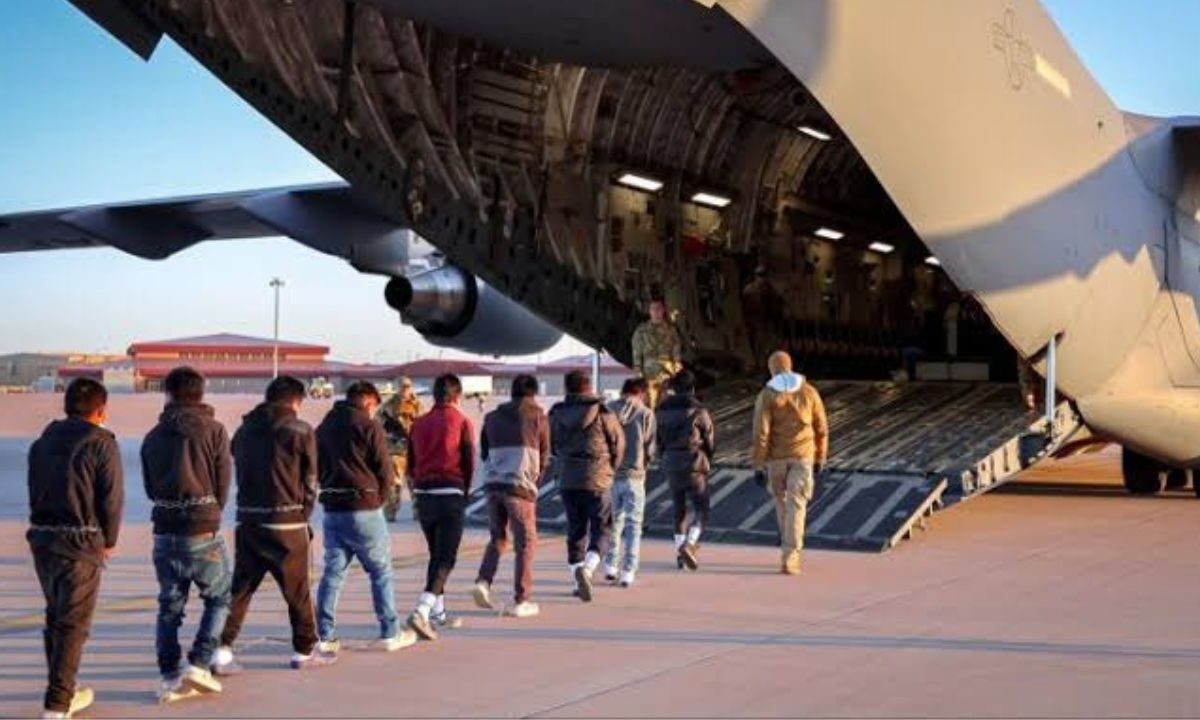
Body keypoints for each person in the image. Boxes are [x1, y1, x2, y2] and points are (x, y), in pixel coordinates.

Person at [214, 376, 326, 673]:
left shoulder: (244, 430)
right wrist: (305, 514)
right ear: (295, 401)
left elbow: (235, 459)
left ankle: (221, 649)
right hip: (287, 522)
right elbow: (311, 479)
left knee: (240, 589)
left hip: (249, 520)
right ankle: (303, 650)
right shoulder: (301, 430)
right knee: (298, 590)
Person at [27, 378, 123, 720]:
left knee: (56, 617)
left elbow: (34, 491)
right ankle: (57, 703)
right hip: (79, 542)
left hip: (42, 540)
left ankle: (65, 689)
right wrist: (109, 540)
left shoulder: (41, 443)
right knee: (72, 624)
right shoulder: (101, 442)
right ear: (100, 410)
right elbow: (111, 498)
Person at [139, 367, 231, 701]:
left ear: (168, 393)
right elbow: (223, 483)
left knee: (169, 606)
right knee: (219, 598)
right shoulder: (215, 431)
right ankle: (200, 661)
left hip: (164, 528)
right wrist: (209, 511)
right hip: (202, 525)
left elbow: (150, 488)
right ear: (201, 392)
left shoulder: (152, 436)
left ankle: (168, 672)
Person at [314, 382, 417, 656]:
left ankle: (324, 634)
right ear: (369, 401)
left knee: (333, 573)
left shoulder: (324, 427)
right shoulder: (368, 427)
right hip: (364, 507)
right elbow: (384, 468)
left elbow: (313, 464)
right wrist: (379, 499)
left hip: (333, 508)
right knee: (380, 571)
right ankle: (390, 631)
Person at [472, 374, 549, 618]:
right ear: (533, 393)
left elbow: (484, 452)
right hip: (520, 487)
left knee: (497, 538)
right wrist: (534, 482)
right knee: (525, 543)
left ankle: (483, 582)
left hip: (494, 485)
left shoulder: (491, 417)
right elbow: (545, 455)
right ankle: (521, 599)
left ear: (511, 392)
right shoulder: (538, 416)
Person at [406, 373, 475, 640]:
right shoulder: (461, 421)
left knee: (436, 553)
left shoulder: (418, 423)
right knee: (447, 556)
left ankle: (439, 613)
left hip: (424, 494)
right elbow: (468, 461)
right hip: (450, 491)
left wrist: (416, 490)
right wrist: (465, 491)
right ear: (457, 396)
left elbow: (410, 463)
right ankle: (422, 610)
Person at [548, 370, 624, 602]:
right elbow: (618, 445)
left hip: (568, 479)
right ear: (589, 387)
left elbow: (551, 445)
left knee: (575, 529)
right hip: (598, 478)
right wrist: (610, 469)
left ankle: (576, 577)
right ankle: (588, 569)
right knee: (602, 528)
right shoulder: (603, 413)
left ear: (566, 388)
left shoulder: (556, 413)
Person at [750, 351, 828, 575]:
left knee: (781, 501)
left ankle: (787, 545)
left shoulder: (766, 395)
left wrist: (757, 464)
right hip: (803, 456)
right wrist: (821, 456)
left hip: (776, 459)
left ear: (772, 369)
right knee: (797, 504)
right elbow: (821, 427)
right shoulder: (810, 392)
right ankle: (790, 555)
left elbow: (760, 433)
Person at [655, 370, 715, 571]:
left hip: (671, 462)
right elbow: (709, 439)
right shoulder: (699, 409)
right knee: (701, 508)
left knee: (678, 510)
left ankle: (680, 554)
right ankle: (690, 543)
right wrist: (709, 457)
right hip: (694, 463)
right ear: (692, 388)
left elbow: (658, 440)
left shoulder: (661, 409)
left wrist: (663, 455)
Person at [603, 377, 655, 587]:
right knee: (634, 525)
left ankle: (610, 566)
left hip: (611, 475)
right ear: (641, 393)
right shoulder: (646, 414)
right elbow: (650, 447)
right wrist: (644, 465)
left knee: (613, 522)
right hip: (635, 475)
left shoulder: (607, 410)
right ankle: (628, 571)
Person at [378, 376, 422, 522]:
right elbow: (378, 426)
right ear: (397, 387)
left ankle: (418, 512)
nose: (405, 390)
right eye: (402, 386)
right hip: (395, 450)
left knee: (416, 483)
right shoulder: (388, 406)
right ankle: (390, 512)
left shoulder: (418, 405)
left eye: (408, 386)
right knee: (394, 484)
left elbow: (425, 424)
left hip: (414, 449)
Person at [631, 296, 683, 407]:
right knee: (649, 404)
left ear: (663, 310)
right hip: (648, 373)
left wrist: (676, 366)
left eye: (659, 308)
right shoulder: (641, 330)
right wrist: (638, 371)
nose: (656, 312)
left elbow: (676, 348)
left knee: (666, 403)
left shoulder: (671, 330)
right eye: (653, 309)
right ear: (649, 311)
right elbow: (636, 352)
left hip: (666, 373)